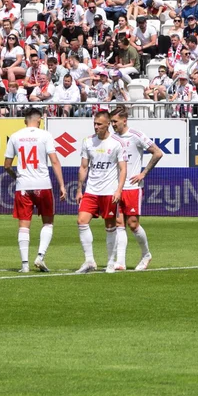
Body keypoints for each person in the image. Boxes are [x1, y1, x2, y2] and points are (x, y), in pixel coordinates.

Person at [4, 107, 67, 273]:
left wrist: (15, 176)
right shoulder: (45, 135)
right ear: (39, 120)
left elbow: (7, 165)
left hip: (23, 186)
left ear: (25, 120)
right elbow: (54, 161)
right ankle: (40, 255)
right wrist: (61, 184)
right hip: (43, 184)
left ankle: (24, 265)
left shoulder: (15, 136)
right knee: (48, 222)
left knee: (24, 225)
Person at [110, 107, 163, 271]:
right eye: (111, 122)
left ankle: (146, 254)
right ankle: (120, 262)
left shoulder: (136, 135)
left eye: (115, 121)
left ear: (124, 120)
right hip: (116, 188)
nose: (113, 125)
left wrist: (143, 173)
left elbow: (158, 153)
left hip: (132, 187)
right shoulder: (111, 139)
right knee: (119, 223)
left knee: (133, 224)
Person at [75, 111, 128, 275]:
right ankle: (89, 260)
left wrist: (119, 189)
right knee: (81, 221)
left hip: (109, 191)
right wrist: (79, 189)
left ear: (107, 125)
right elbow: (84, 166)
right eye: (95, 123)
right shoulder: (88, 141)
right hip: (91, 190)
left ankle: (111, 262)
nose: (96, 126)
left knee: (110, 226)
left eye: (99, 124)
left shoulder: (117, 143)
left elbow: (123, 169)